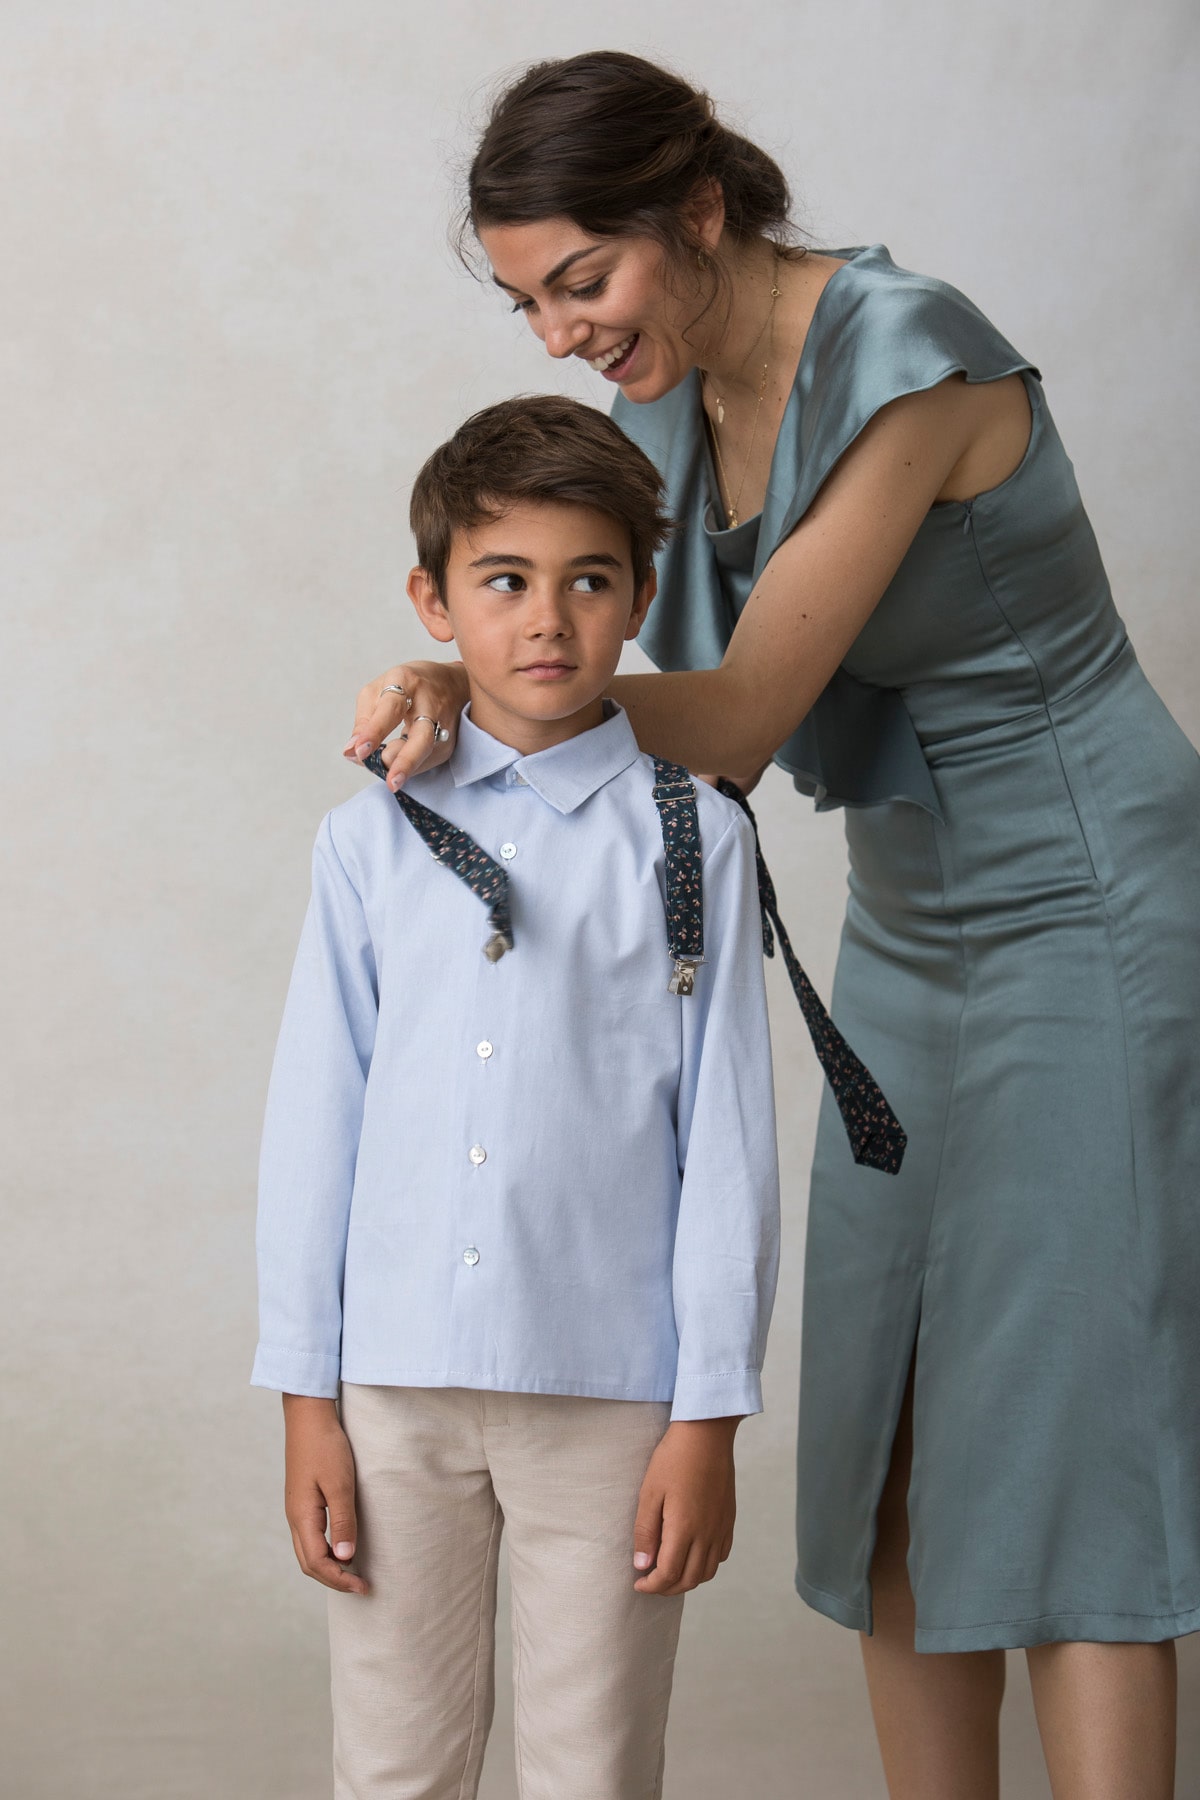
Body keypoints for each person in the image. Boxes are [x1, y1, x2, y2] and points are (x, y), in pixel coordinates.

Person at [341, 49, 1200, 1800]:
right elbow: (580, 646)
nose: (564, 333)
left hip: (1091, 910)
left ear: (705, 210)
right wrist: (479, 665)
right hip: (909, 916)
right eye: (529, 301)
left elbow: (726, 723)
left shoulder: (913, 359)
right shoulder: (663, 402)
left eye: (586, 279)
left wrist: (473, 680)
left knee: (1069, 1428)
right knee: (884, 1426)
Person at [253, 394, 781, 1799]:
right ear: (435, 601)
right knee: (394, 1765)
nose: (547, 619)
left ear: (640, 600)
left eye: (588, 580)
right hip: (395, 1389)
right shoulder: (371, 838)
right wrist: (308, 1397)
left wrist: (708, 1415)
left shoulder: (698, 836)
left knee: (592, 1767)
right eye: (504, 581)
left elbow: (725, 1140)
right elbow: (318, 1122)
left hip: (612, 1390)